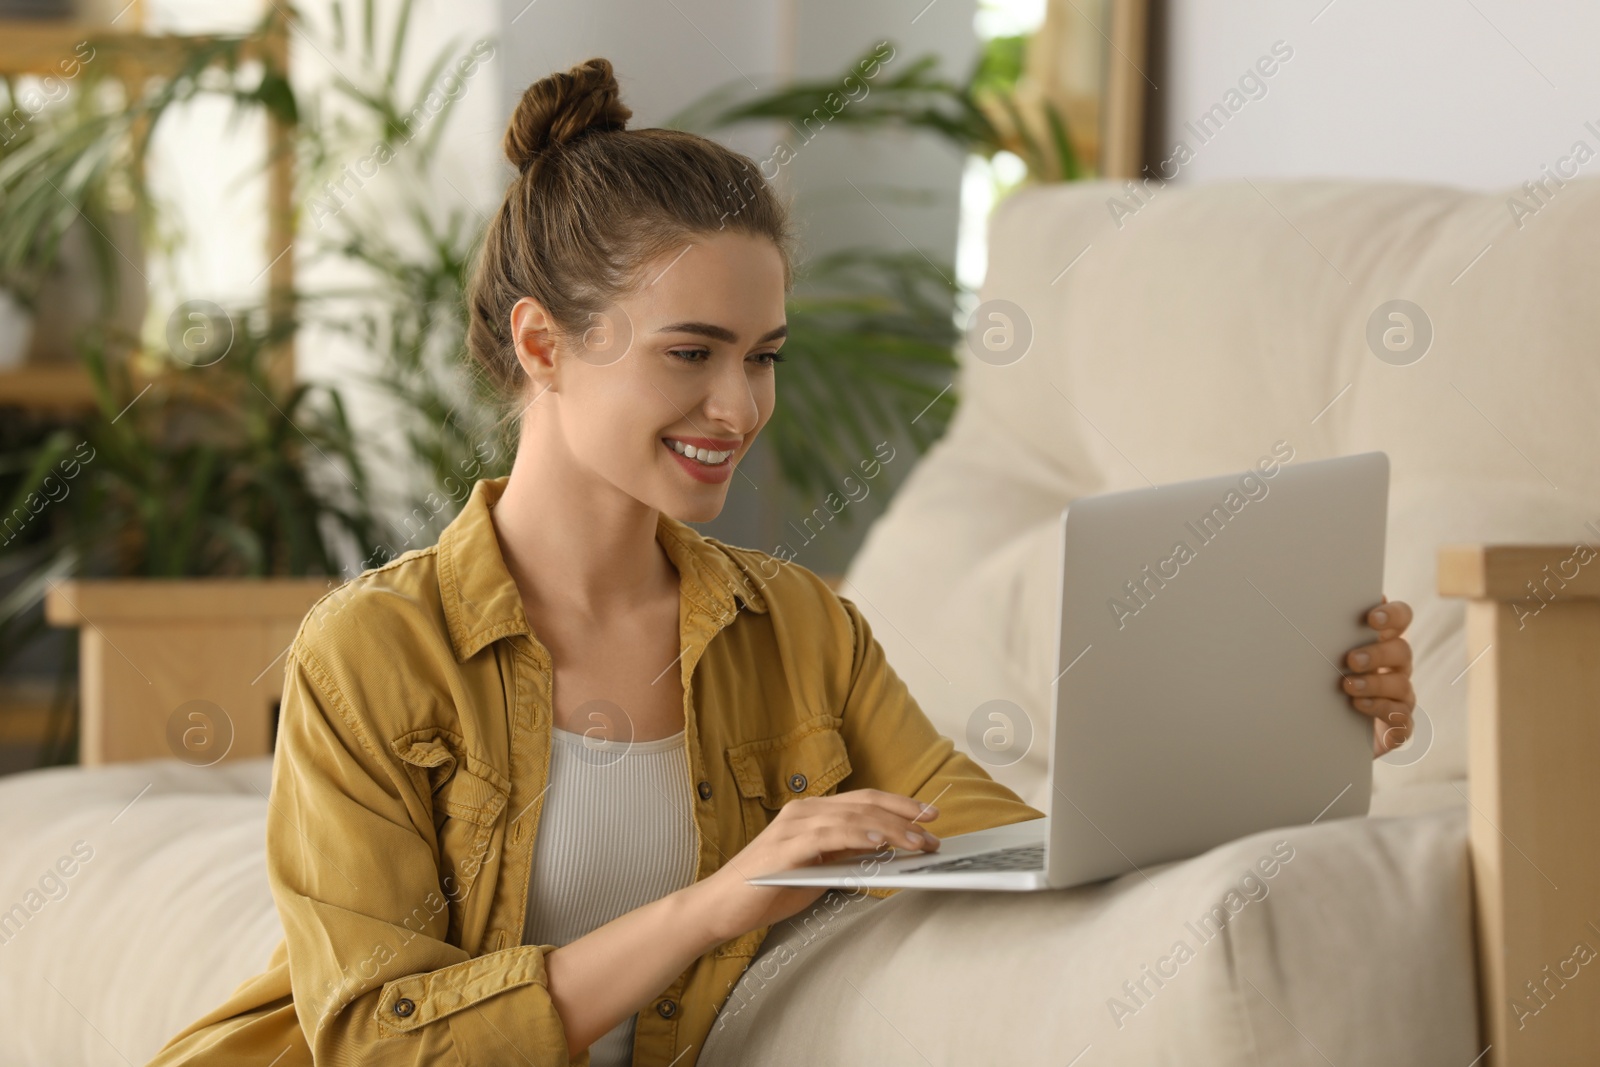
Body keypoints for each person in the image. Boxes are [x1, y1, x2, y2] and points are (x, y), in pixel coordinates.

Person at [147, 57, 1415, 1067]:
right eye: (689, 352)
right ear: (542, 343)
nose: (739, 408)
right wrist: (712, 903)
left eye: (763, 355)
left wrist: (1289, 727)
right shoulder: (374, 650)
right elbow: (375, 1039)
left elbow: (1022, 853)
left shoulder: (802, 627)